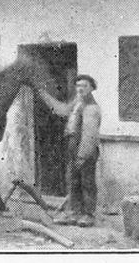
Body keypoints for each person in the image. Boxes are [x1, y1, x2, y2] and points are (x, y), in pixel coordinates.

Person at [39, 74, 102, 227]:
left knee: (87, 182)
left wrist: (82, 156)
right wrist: (43, 94)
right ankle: (74, 212)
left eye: (84, 86)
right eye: (78, 86)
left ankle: (88, 215)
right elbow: (62, 110)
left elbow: (89, 135)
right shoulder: (78, 102)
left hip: (85, 150)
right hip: (73, 148)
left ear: (92, 88)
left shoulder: (92, 108)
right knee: (73, 181)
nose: (80, 89)